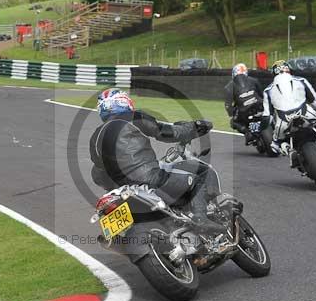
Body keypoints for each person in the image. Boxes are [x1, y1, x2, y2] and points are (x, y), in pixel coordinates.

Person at [89, 88, 226, 235]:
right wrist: (194, 127)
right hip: (150, 179)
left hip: (123, 190)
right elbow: (168, 132)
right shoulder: (133, 117)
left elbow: (98, 173)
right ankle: (200, 218)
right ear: (123, 102)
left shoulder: (95, 136)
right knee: (200, 172)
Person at [263, 63, 316, 157]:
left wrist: (266, 127)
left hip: (283, 122)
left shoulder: (267, 90)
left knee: (275, 144)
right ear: (289, 70)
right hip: (306, 113)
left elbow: (267, 117)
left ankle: (288, 150)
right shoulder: (301, 80)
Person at [224, 63, 264, 142]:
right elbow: (262, 94)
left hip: (244, 110)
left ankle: (247, 132)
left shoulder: (228, 87)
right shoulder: (254, 80)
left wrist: (231, 113)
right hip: (259, 105)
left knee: (233, 122)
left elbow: (228, 105)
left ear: (234, 73)